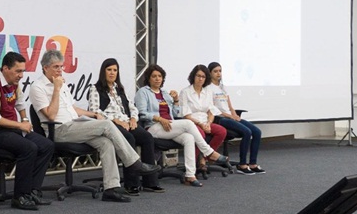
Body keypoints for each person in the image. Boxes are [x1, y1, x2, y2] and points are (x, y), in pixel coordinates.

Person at [28, 49, 160, 203]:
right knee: (107, 125)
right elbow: (50, 115)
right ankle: (134, 163)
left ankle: (111, 189)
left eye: (61, 66)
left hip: (75, 126)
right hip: (58, 130)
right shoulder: (38, 87)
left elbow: (73, 109)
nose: (60, 70)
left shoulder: (62, 84)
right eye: (56, 67)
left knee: (106, 142)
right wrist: (56, 88)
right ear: (45, 67)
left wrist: (94, 114)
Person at [0, 51, 55, 210]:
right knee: (29, 148)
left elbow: (20, 104)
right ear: (6, 68)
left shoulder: (12, 82)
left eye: (23, 71)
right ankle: (20, 196)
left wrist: (24, 119)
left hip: (10, 129)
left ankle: (32, 191)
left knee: (47, 145)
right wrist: (19, 125)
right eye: (18, 71)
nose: (21, 75)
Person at [134, 64, 230, 187]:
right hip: (154, 127)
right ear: (148, 78)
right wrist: (159, 118)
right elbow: (142, 113)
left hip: (169, 126)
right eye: (154, 76)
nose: (157, 79)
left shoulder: (165, 93)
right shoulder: (143, 92)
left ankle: (190, 175)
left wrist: (175, 101)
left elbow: (175, 114)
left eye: (160, 76)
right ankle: (209, 152)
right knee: (188, 123)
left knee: (189, 138)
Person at [87, 57, 162, 194]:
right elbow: (95, 111)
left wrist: (133, 119)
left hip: (127, 122)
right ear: (103, 71)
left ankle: (150, 182)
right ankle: (131, 184)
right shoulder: (95, 89)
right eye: (109, 70)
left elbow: (132, 106)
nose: (112, 73)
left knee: (147, 138)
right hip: (110, 124)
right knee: (129, 138)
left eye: (115, 70)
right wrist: (116, 120)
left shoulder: (120, 89)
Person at [206, 62, 265, 175]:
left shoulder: (223, 87)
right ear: (210, 73)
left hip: (230, 116)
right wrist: (230, 116)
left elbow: (229, 105)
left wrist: (234, 114)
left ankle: (253, 164)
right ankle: (242, 165)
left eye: (220, 71)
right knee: (247, 132)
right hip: (220, 118)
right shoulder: (208, 88)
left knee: (257, 132)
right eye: (215, 71)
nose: (218, 73)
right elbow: (212, 109)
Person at [178, 64, 228, 176]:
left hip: (205, 122)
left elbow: (211, 111)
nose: (200, 79)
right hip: (192, 123)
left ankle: (204, 158)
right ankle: (194, 163)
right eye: (198, 76)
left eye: (203, 77)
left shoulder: (208, 91)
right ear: (193, 76)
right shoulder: (185, 92)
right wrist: (201, 124)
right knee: (201, 134)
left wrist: (209, 123)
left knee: (222, 131)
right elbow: (186, 115)